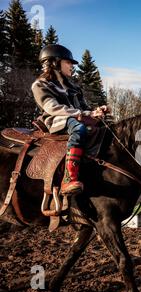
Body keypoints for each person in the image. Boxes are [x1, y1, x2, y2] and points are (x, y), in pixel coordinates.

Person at [31, 44, 109, 196]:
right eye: (68, 62)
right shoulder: (40, 85)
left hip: (75, 117)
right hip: (56, 121)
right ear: (54, 63)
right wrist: (80, 114)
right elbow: (52, 108)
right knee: (78, 129)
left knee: (102, 129)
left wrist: (95, 113)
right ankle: (68, 178)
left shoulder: (74, 88)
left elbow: (84, 108)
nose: (72, 66)